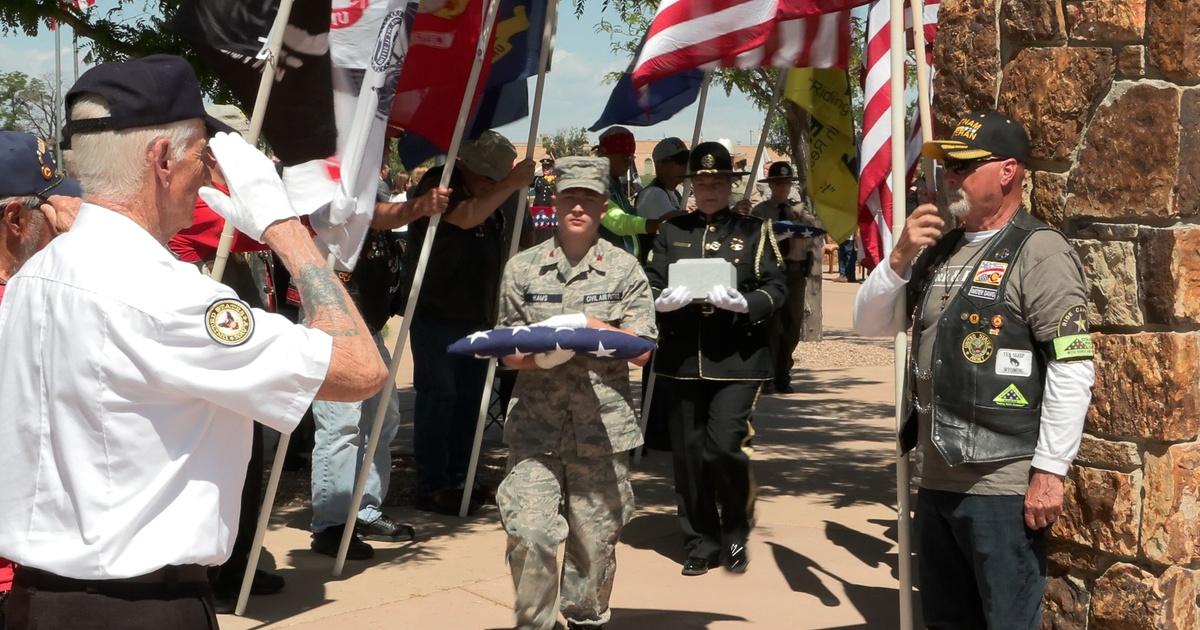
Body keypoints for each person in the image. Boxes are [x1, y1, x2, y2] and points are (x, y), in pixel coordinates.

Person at [0, 55, 388, 629]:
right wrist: (284, 229)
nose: (208, 175)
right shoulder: (168, 295)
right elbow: (361, 370)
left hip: (37, 600)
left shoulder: (40, 269)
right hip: (135, 608)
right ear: (161, 160)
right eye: (203, 154)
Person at [852, 111, 1095, 628]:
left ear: (1008, 171)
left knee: (1006, 619)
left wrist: (1050, 471)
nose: (950, 177)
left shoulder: (1039, 250)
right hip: (935, 475)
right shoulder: (937, 249)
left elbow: (1071, 367)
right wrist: (898, 258)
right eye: (947, 167)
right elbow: (869, 324)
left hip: (1001, 483)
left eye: (963, 165)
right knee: (946, 618)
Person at [494, 156, 656, 630]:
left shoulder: (625, 270)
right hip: (535, 430)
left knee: (593, 547)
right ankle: (536, 623)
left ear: (604, 206)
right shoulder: (523, 268)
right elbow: (507, 351)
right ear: (556, 202)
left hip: (601, 431)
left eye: (589, 198)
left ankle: (585, 619)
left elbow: (643, 350)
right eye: (570, 197)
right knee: (530, 530)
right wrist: (541, 355)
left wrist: (589, 328)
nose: (578, 207)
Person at [645, 141, 787, 576]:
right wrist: (660, 302)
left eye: (717, 181)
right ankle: (700, 540)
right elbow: (648, 283)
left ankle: (735, 529)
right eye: (701, 182)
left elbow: (777, 286)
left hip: (738, 359)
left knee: (725, 446)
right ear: (691, 186)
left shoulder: (753, 231)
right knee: (689, 455)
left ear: (729, 184)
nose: (708, 189)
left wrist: (747, 304)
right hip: (683, 358)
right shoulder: (672, 231)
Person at [405, 130, 535, 514]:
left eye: (497, 178)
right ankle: (433, 484)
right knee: (438, 400)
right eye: (487, 177)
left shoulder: (499, 193)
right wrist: (509, 184)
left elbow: (518, 239)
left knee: (471, 405)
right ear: (466, 165)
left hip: (479, 316)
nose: (491, 185)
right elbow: (466, 217)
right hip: (437, 313)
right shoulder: (440, 183)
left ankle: (463, 479)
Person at [0, 131, 82, 626]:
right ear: (14, 219)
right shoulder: (20, 307)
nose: (62, 225)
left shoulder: (29, 297)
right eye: (49, 212)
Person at [751, 161, 818, 394]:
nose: (783, 187)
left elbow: (815, 231)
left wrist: (801, 218)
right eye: (778, 183)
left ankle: (783, 372)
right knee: (771, 325)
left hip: (795, 272)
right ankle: (768, 375)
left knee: (791, 325)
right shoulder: (761, 211)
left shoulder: (798, 210)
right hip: (772, 272)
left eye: (787, 183)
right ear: (770, 184)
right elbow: (753, 237)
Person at [595, 126, 659, 257]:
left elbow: (630, 215)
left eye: (631, 158)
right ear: (604, 155)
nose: (629, 163)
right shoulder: (596, 186)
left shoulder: (615, 184)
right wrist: (655, 225)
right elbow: (618, 221)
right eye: (624, 158)